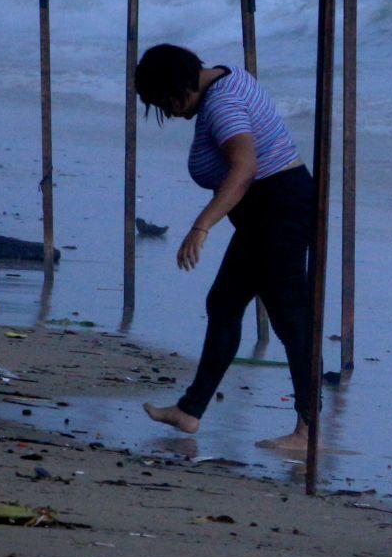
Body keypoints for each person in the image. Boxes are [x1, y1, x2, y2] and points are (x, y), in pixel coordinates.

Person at [134, 43, 316, 452]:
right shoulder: (224, 77)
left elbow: (245, 168)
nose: (170, 112)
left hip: (279, 209)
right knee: (224, 302)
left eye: (164, 101)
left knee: (291, 319)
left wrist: (202, 226)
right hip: (269, 209)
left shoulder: (222, 104)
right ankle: (190, 411)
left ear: (178, 86)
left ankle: (309, 432)